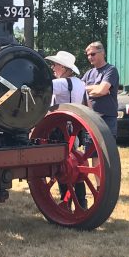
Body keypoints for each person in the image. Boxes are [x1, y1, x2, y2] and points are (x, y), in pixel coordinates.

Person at [45, 50, 87, 208]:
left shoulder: (61, 83)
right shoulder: (81, 83)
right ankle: (81, 202)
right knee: (74, 165)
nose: (52, 68)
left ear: (63, 67)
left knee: (61, 166)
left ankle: (66, 201)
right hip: (74, 129)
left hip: (59, 129)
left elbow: (40, 88)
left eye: (55, 65)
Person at [82, 41, 119, 137]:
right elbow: (80, 90)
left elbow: (102, 90)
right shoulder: (88, 73)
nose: (89, 57)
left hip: (107, 119)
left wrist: (88, 92)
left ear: (102, 53)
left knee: (106, 146)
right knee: (89, 145)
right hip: (91, 118)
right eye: (88, 55)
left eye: (92, 54)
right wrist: (96, 88)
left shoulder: (111, 70)